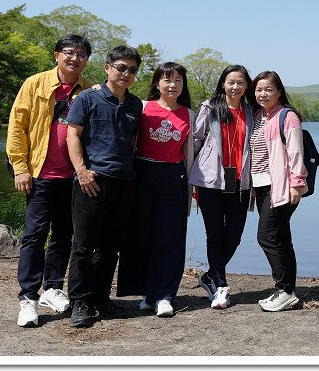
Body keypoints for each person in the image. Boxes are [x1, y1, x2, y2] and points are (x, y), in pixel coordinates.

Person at [6, 35, 92, 327]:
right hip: (40, 173)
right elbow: (17, 127)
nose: (75, 58)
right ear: (56, 55)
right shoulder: (35, 83)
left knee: (63, 235)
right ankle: (28, 297)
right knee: (34, 235)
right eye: (69, 52)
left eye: (81, 54)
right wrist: (20, 167)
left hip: (72, 177)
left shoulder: (90, 89)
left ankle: (53, 287)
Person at [65, 45, 143, 328]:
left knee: (111, 247)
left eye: (132, 70)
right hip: (92, 181)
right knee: (84, 246)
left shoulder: (135, 105)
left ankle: (101, 298)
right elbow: (72, 136)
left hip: (123, 183)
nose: (126, 74)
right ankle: (80, 303)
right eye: (121, 67)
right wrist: (82, 172)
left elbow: (133, 141)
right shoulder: (87, 98)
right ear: (108, 67)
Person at [116, 62, 196, 317]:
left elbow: (188, 157)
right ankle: (145, 293)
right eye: (167, 80)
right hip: (142, 172)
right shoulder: (142, 107)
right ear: (157, 83)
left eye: (178, 81)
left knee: (170, 237)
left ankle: (164, 295)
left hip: (173, 176)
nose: (172, 85)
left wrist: (190, 193)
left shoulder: (188, 115)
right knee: (140, 236)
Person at [188, 65, 254, 310]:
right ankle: (220, 285)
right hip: (210, 180)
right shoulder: (210, 106)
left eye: (240, 82)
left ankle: (208, 277)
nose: (235, 86)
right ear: (223, 84)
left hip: (240, 181)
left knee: (234, 235)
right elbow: (196, 140)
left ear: (246, 86)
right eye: (231, 82)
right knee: (214, 234)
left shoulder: (250, 110)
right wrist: (194, 174)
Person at [249, 70, 308, 312]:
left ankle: (284, 290)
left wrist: (297, 183)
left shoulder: (287, 116)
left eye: (268, 89)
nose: (263, 94)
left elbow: (295, 153)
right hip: (261, 186)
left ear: (279, 92)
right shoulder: (258, 115)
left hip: (282, 187)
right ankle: (288, 292)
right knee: (282, 238)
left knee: (268, 236)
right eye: (259, 89)